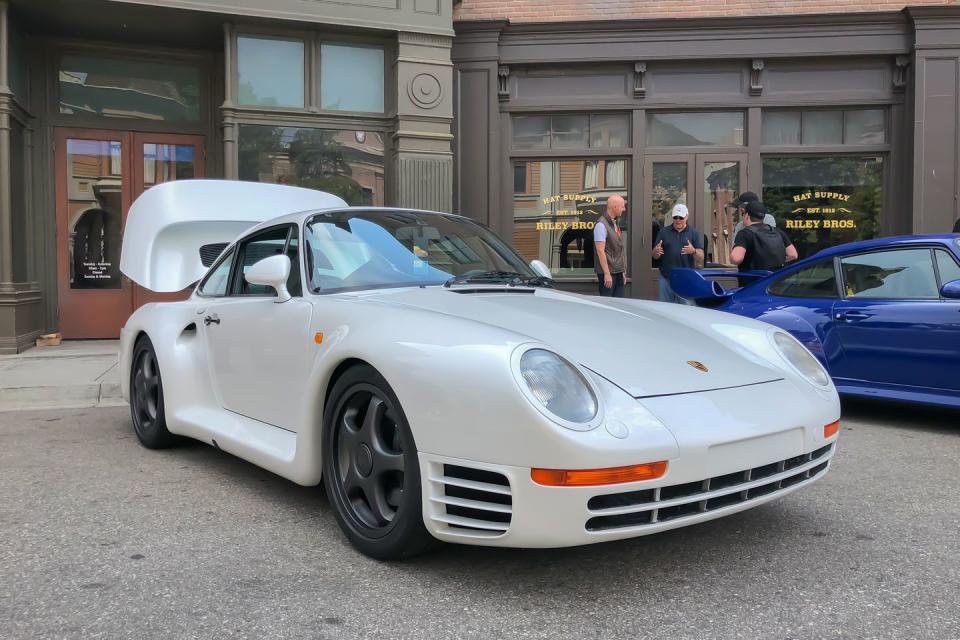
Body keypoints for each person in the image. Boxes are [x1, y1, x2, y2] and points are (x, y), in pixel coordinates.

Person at [652, 203, 703, 303]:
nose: (678, 220)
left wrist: (694, 251)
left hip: (685, 279)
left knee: (686, 311)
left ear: (687, 216)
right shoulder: (663, 232)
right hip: (666, 278)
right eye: (675, 217)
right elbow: (654, 255)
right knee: (665, 310)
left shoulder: (694, 233)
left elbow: (701, 256)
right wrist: (656, 252)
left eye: (681, 217)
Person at [731, 201, 798, 272]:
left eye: (743, 214)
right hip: (774, 280)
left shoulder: (744, 233)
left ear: (747, 215)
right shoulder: (778, 232)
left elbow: (736, 258)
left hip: (754, 281)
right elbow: (793, 255)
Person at [593, 194, 628, 297]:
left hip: (617, 272)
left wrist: (621, 271)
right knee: (608, 305)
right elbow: (600, 251)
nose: (624, 209)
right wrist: (607, 274)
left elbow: (618, 250)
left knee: (619, 305)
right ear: (615, 207)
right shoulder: (601, 225)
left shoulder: (614, 223)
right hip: (608, 274)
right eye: (622, 206)